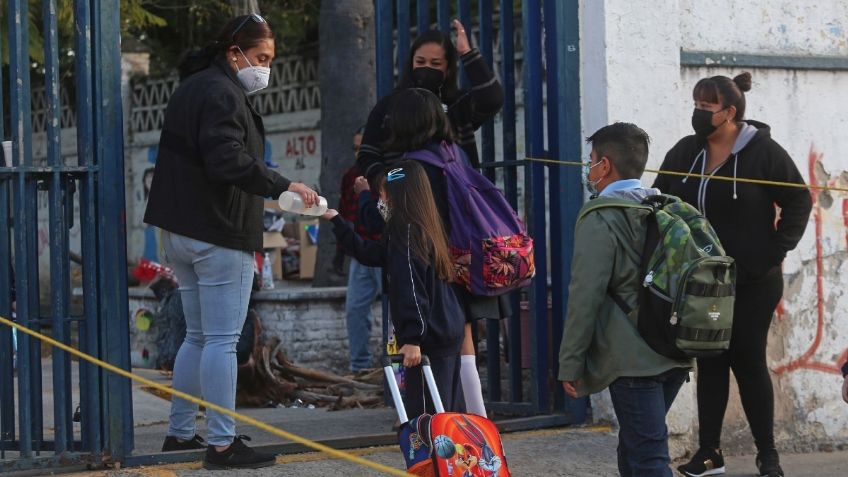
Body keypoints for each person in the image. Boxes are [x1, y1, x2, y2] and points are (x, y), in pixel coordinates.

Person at [143, 13, 318, 470]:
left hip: (181, 233)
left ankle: (181, 434)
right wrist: (283, 185)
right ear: (234, 52)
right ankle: (221, 444)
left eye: (270, 60)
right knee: (221, 340)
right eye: (261, 57)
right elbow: (228, 160)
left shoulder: (193, 87)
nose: (266, 67)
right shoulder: (223, 93)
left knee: (197, 338)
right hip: (219, 232)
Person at [654, 72, 812, 477]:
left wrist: (774, 250)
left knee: (748, 359)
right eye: (696, 105)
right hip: (702, 284)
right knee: (709, 360)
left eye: (706, 108)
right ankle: (710, 454)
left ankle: (768, 454)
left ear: (730, 112)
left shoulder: (763, 152)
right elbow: (660, 200)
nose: (698, 113)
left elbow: (798, 199)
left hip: (754, 280)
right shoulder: (685, 152)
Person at [558, 122, 693, 477]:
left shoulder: (601, 216)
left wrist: (570, 363)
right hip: (675, 351)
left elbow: (585, 295)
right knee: (634, 452)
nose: (589, 169)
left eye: (591, 161)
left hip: (633, 359)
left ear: (605, 165)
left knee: (647, 459)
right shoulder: (667, 207)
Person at [322, 161, 465, 417]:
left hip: (427, 337)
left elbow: (410, 285)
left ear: (399, 195)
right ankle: (445, 456)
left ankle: (434, 457)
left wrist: (411, 338)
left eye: (384, 194)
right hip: (442, 329)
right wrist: (337, 221)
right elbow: (372, 253)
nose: (380, 200)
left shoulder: (407, 232)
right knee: (446, 410)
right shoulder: (421, 227)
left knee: (428, 417)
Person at [336, 127, 382, 372]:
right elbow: (345, 212)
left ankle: (398, 369)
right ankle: (360, 366)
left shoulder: (384, 173)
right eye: (354, 148)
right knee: (355, 310)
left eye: (361, 148)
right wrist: (341, 250)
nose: (357, 153)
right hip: (360, 252)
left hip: (383, 252)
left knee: (397, 313)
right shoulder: (350, 176)